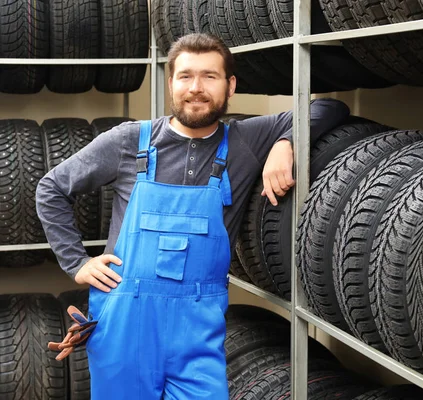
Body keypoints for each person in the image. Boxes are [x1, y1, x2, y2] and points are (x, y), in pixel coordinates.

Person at [36, 33, 349, 399]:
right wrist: (76, 263)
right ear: (171, 83)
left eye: (209, 76)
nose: (195, 88)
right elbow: (50, 189)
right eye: (185, 76)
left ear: (230, 86)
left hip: (197, 332)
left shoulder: (246, 142)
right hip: (123, 325)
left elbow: (330, 108)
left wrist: (286, 142)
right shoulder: (130, 141)